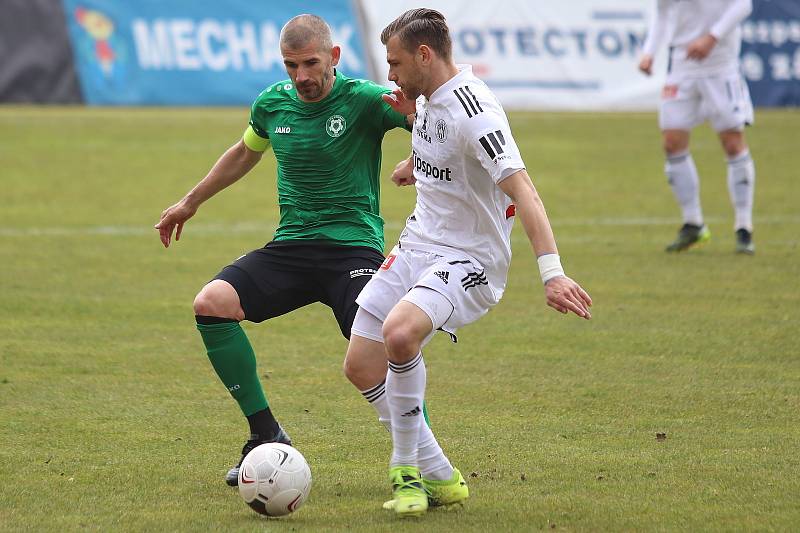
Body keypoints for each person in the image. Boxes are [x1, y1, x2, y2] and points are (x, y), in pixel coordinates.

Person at [155, 14, 455, 488]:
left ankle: (424, 461)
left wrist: (418, 159)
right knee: (211, 304)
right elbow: (244, 151)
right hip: (291, 248)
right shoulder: (272, 105)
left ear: (333, 57)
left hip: (351, 251)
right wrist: (189, 202)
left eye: (311, 64)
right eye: (291, 66)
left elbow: (435, 120)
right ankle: (264, 432)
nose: (302, 77)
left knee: (382, 350)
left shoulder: (364, 99)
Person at [343, 8, 593, 517]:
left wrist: (552, 273)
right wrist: (415, 164)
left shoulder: (476, 112)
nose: (389, 73)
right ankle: (442, 476)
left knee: (400, 333)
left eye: (394, 62)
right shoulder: (427, 98)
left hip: (468, 257)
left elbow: (523, 191)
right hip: (418, 244)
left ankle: (406, 472)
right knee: (360, 364)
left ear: (424, 54)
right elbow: (435, 136)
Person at [638, 0, 756, 254]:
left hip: (720, 66)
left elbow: (743, 5)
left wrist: (711, 38)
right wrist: (649, 52)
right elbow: (663, 14)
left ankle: (744, 227)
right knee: (671, 142)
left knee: (732, 143)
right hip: (682, 65)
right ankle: (694, 224)